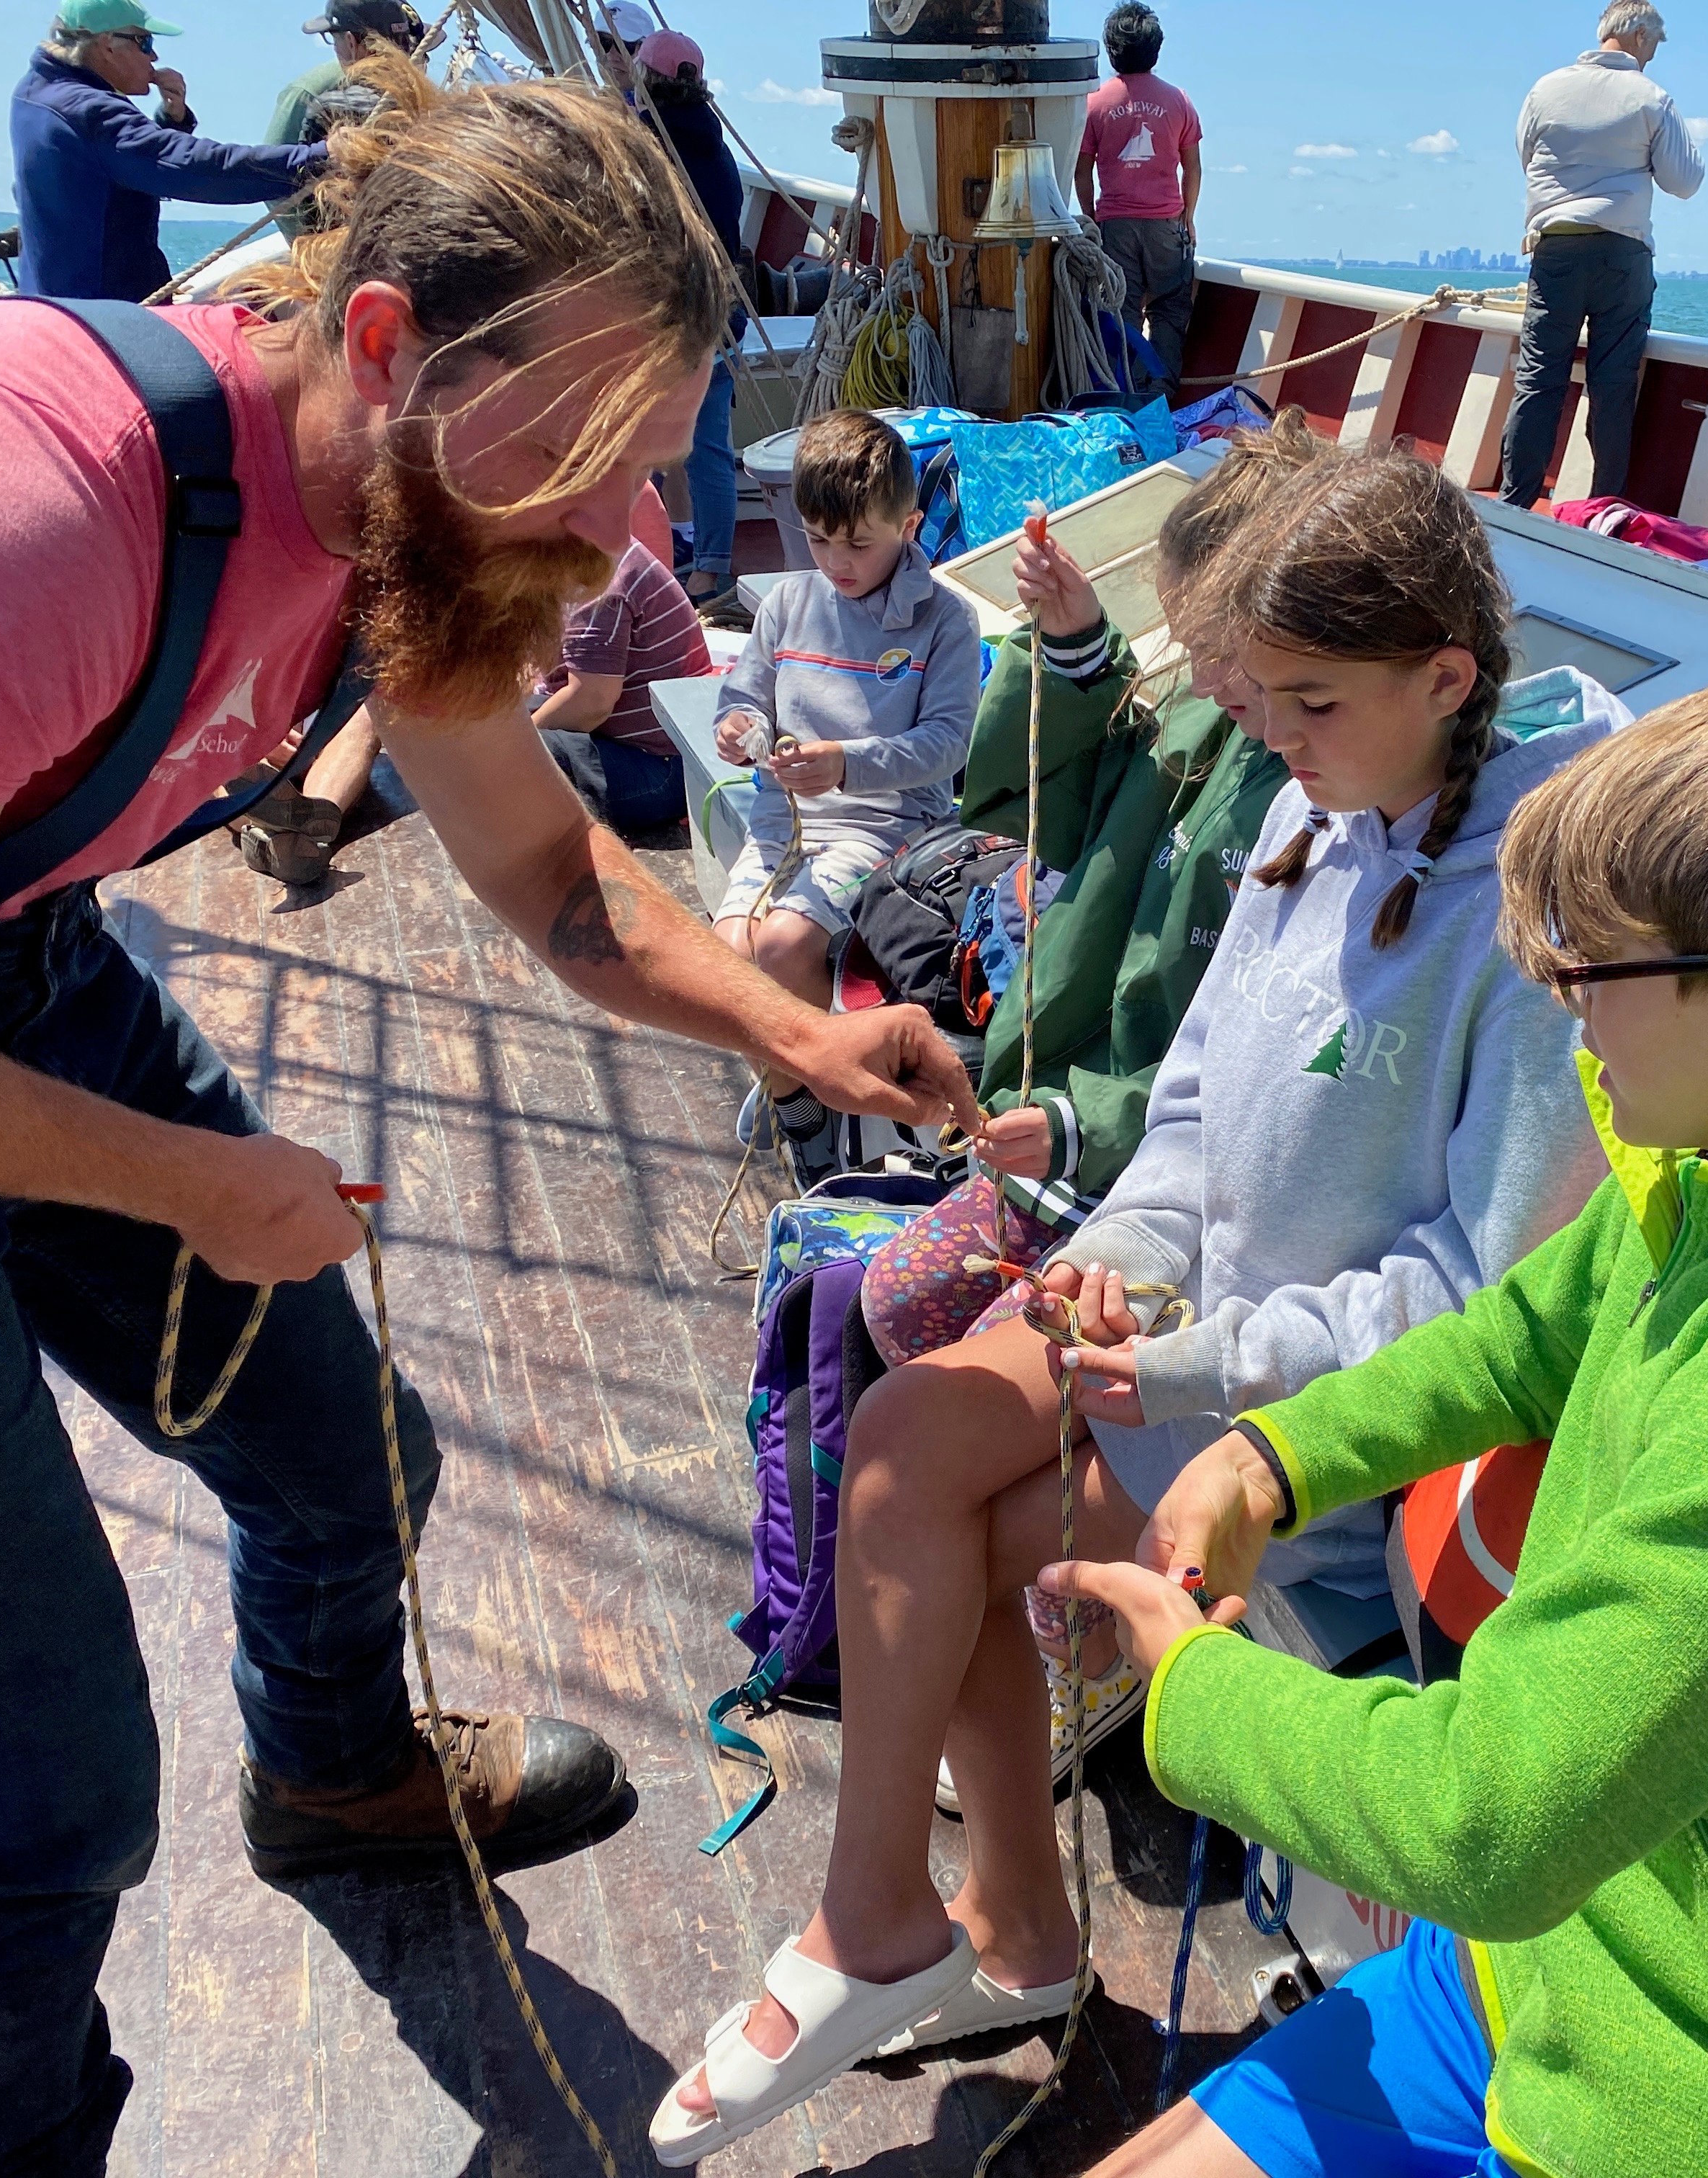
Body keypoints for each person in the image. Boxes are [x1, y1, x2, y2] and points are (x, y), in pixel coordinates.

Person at [0, 65, 972, 2177]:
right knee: (36, 1773)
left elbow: (556, 877)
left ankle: (334, 1777)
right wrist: (189, 1182)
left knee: (346, 1451)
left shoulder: (403, 510)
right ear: (385, 345)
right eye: (585, 461)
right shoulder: (11, 522)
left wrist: (801, 1038)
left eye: (659, 472)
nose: (628, 539)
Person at [650, 449, 1620, 2165]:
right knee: (898, 1445)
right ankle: (889, 1922)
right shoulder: (1315, 807)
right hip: (1175, 1317)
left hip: (1305, 1408)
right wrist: (1130, 1253)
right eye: (1257, 697)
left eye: (1305, 700)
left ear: (1448, 679)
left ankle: (1013, 1939)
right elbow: (1189, 1114)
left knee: (980, 1530)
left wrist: (1189, 1352)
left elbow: (1485, 1300)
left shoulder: (1543, 925)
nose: (1270, 738)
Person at [1045, 643, 1708, 2178]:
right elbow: (1529, 1334)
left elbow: (1490, 1824)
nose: (1555, 1001)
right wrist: (1280, 1453)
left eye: (1592, 973)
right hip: (1542, 1961)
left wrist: (1190, 1688)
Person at [858, 411, 1335, 1371]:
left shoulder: (1332, 791)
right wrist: (1073, 644)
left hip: (1157, 1186)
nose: (1197, 675)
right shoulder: (1213, 713)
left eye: (1223, 649)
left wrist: (1091, 1129)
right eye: (1188, 639)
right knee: (889, 1305)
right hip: (1070, 1135)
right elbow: (1074, 813)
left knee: (963, 1395)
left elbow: (1283, 1068)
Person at [710, 407, 983, 1183]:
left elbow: (946, 746)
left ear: (909, 522)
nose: (836, 560)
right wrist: (739, 726)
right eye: (818, 538)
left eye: (859, 542)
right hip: (786, 820)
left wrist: (845, 765)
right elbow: (745, 692)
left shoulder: (945, 621)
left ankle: (801, 1107)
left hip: (891, 823)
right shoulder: (786, 607)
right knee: (727, 957)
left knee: (782, 945)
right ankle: (798, 1087)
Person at [1497, 1, 1706, 511]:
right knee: (1612, 387)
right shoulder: (1650, 97)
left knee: (1539, 379)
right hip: (1622, 254)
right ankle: (1605, 505)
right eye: (1655, 43)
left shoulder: (1545, 89)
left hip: (1557, 249)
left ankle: (1515, 502)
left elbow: (1527, 156)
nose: (1654, 54)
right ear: (1637, 35)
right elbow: (1685, 181)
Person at [12, 0, 330, 305]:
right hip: (104, 321)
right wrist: (322, 158)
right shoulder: (91, 112)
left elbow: (123, 166)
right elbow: (195, 167)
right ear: (108, 45)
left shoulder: (33, 93)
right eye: (145, 42)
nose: (154, 57)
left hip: (51, 306)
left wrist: (171, 121)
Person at [637, 28, 750, 606]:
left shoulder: (645, 147)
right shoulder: (714, 143)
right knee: (708, 444)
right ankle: (711, 568)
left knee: (640, 441)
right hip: (722, 314)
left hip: (674, 316)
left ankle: (657, 569)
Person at [532, 535, 706, 837]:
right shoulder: (596, 552)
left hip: (659, 766)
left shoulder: (603, 583)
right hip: (620, 740)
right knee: (484, 721)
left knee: (512, 755)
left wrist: (513, 742)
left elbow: (591, 703)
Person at [1077, 3, 1204, 398]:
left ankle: (1129, 394)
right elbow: (1193, 168)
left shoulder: (1094, 103)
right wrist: (1190, 217)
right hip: (1168, 226)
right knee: (1167, 309)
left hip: (1114, 226)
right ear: (1156, 49)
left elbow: (1081, 171)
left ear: (1110, 50)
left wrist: (1091, 219)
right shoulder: (1178, 101)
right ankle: (1163, 394)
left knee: (1121, 310)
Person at [262, 0, 426, 241]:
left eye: (334, 40)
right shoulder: (435, 106)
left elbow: (312, 211)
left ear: (350, 42)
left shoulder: (332, 108)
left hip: (359, 253)